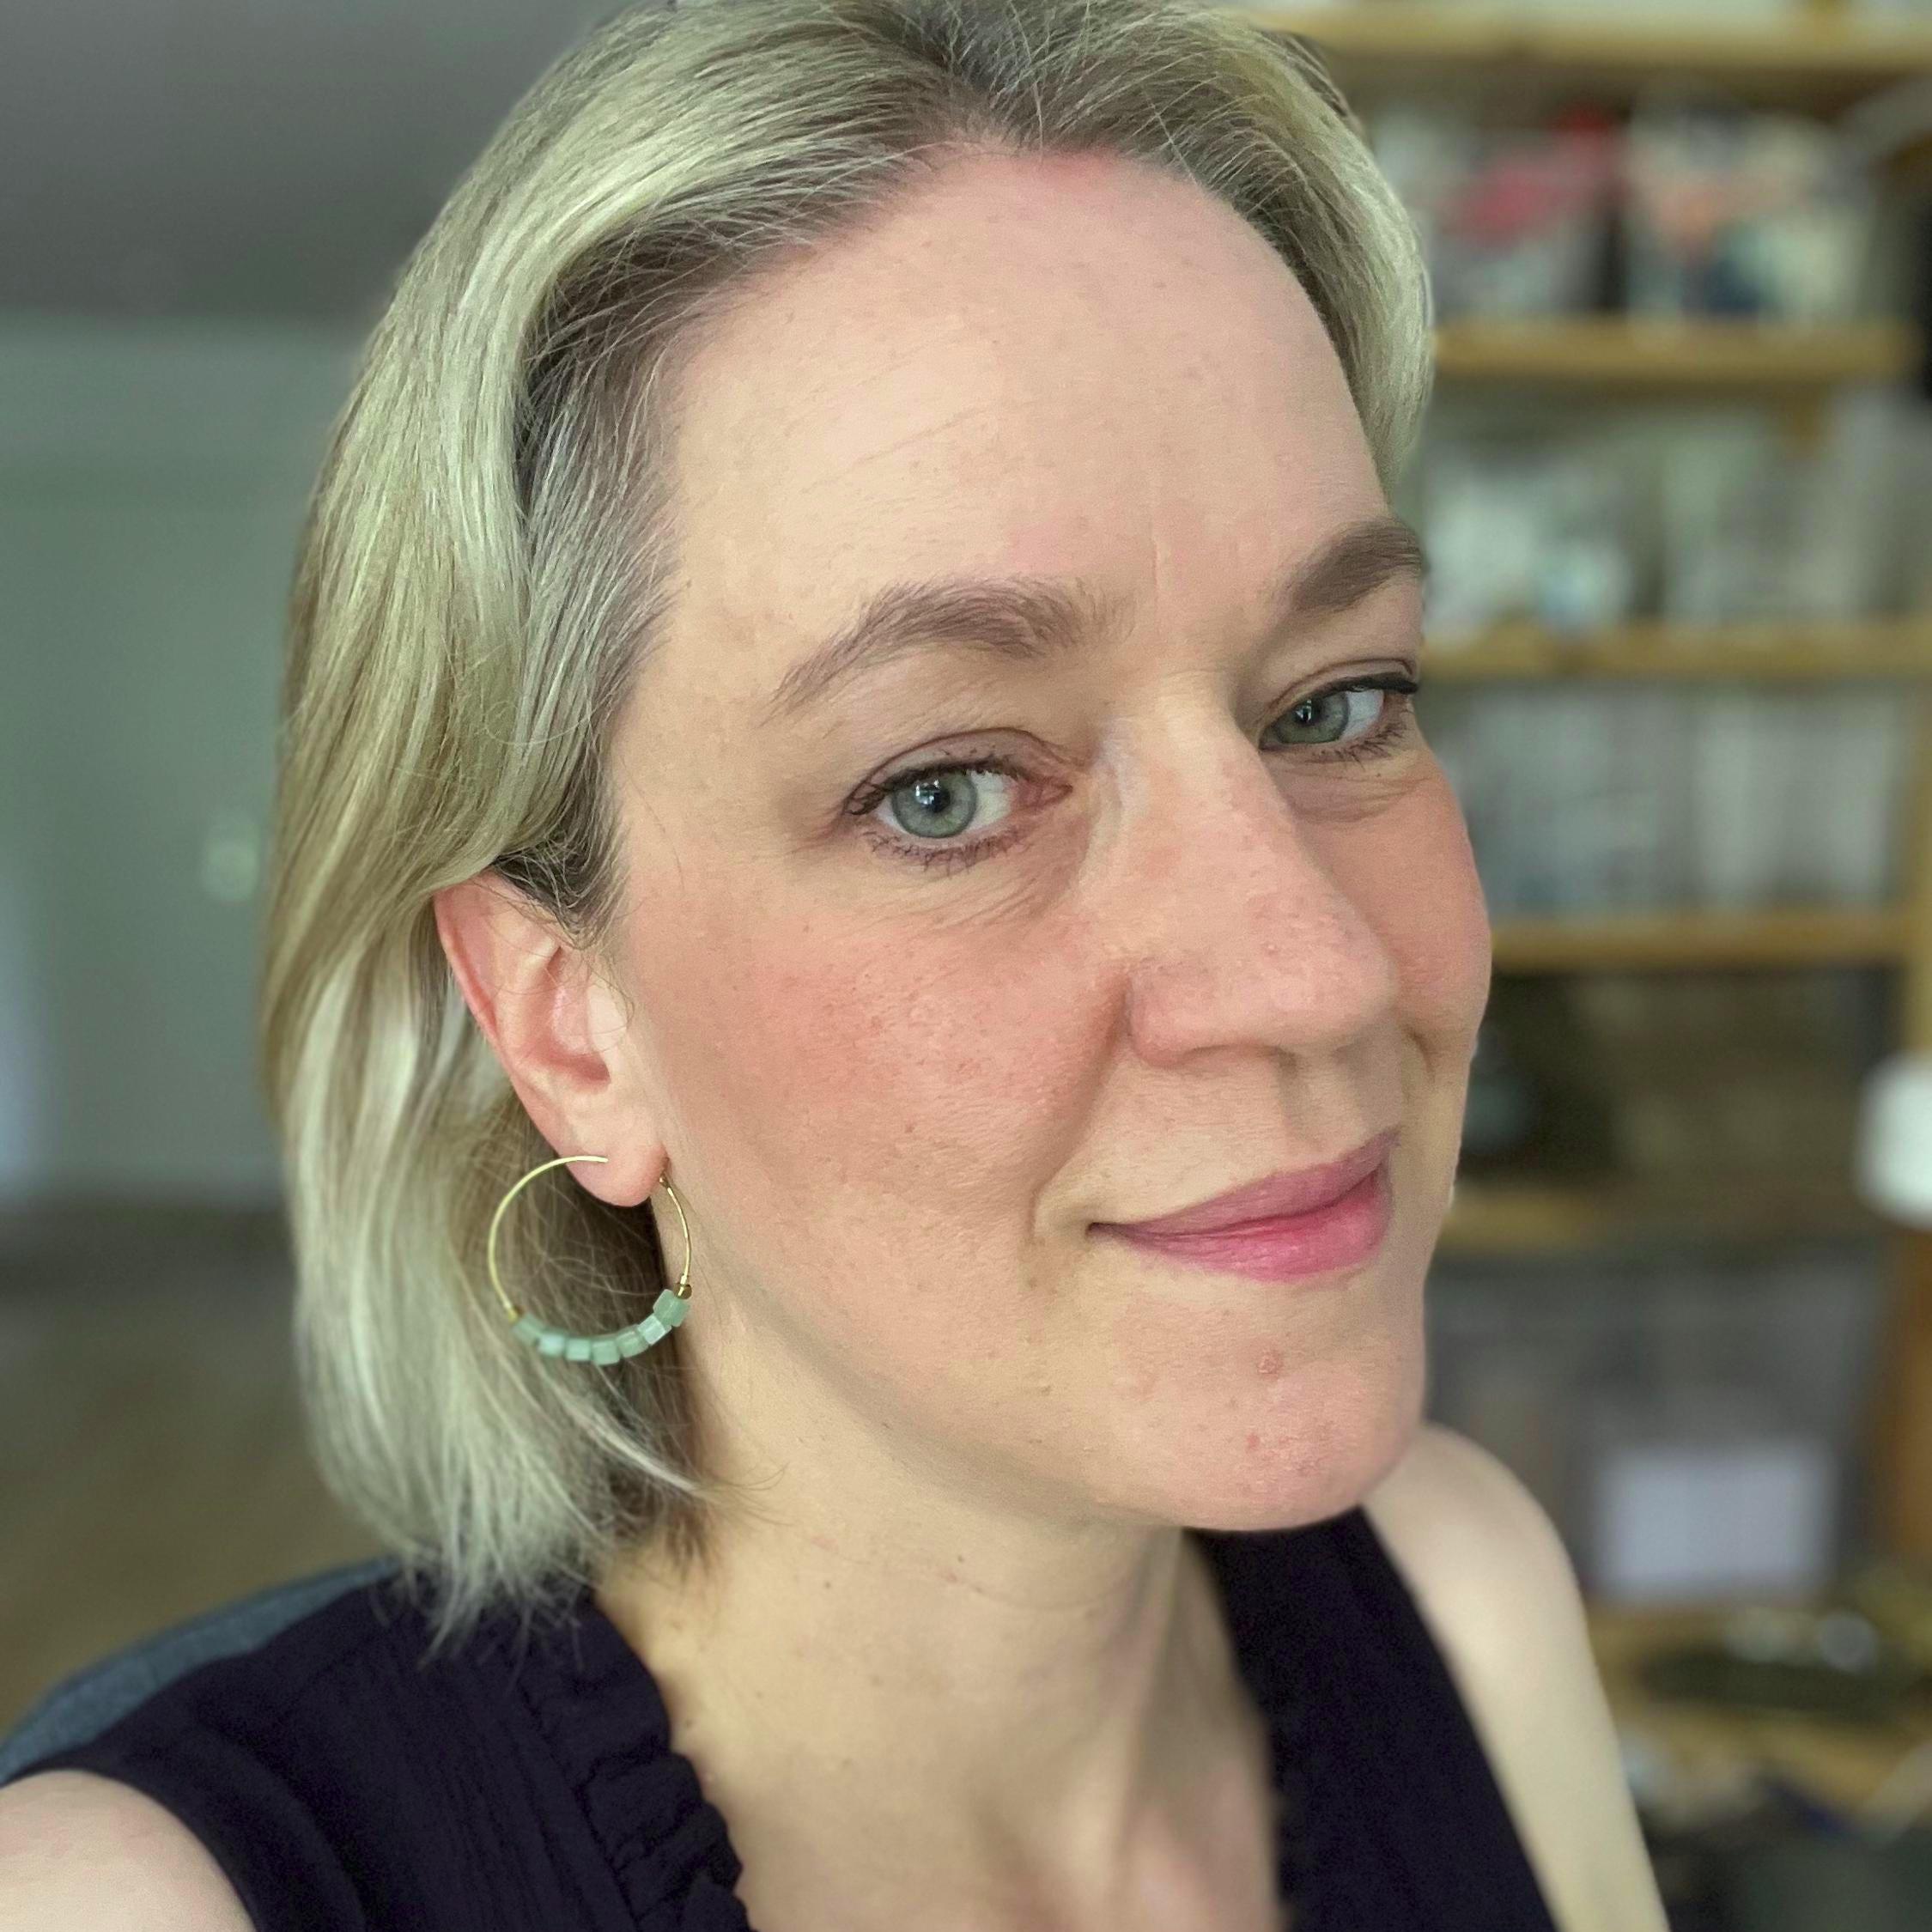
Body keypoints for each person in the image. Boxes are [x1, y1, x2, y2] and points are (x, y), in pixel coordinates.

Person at [0, 0, 1670, 1926]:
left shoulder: (1463, 1600)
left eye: (1338, 701)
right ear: (571, 1029)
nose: (1315, 972)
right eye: (948, 789)